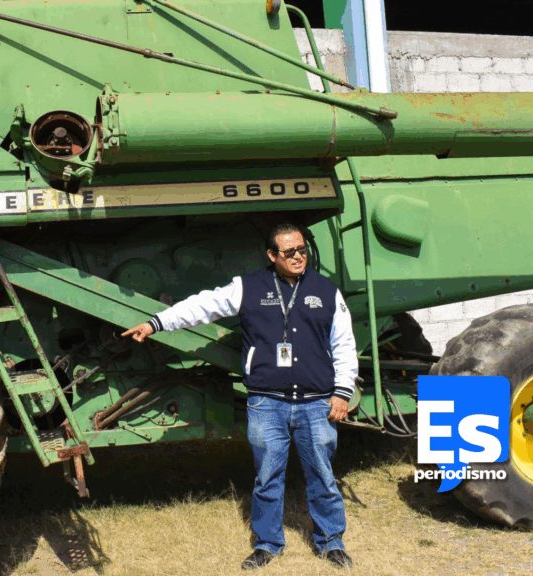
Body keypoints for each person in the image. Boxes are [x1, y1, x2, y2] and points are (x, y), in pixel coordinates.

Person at [122, 222, 358, 570]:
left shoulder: (326, 291)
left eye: (302, 250)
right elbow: (204, 306)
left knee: (322, 476)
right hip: (267, 403)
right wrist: (157, 323)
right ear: (271, 255)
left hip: (315, 402)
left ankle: (330, 542)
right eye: (289, 252)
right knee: (267, 477)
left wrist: (342, 392)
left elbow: (344, 345)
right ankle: (267, 544)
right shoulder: (248, 287)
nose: (298, 257)